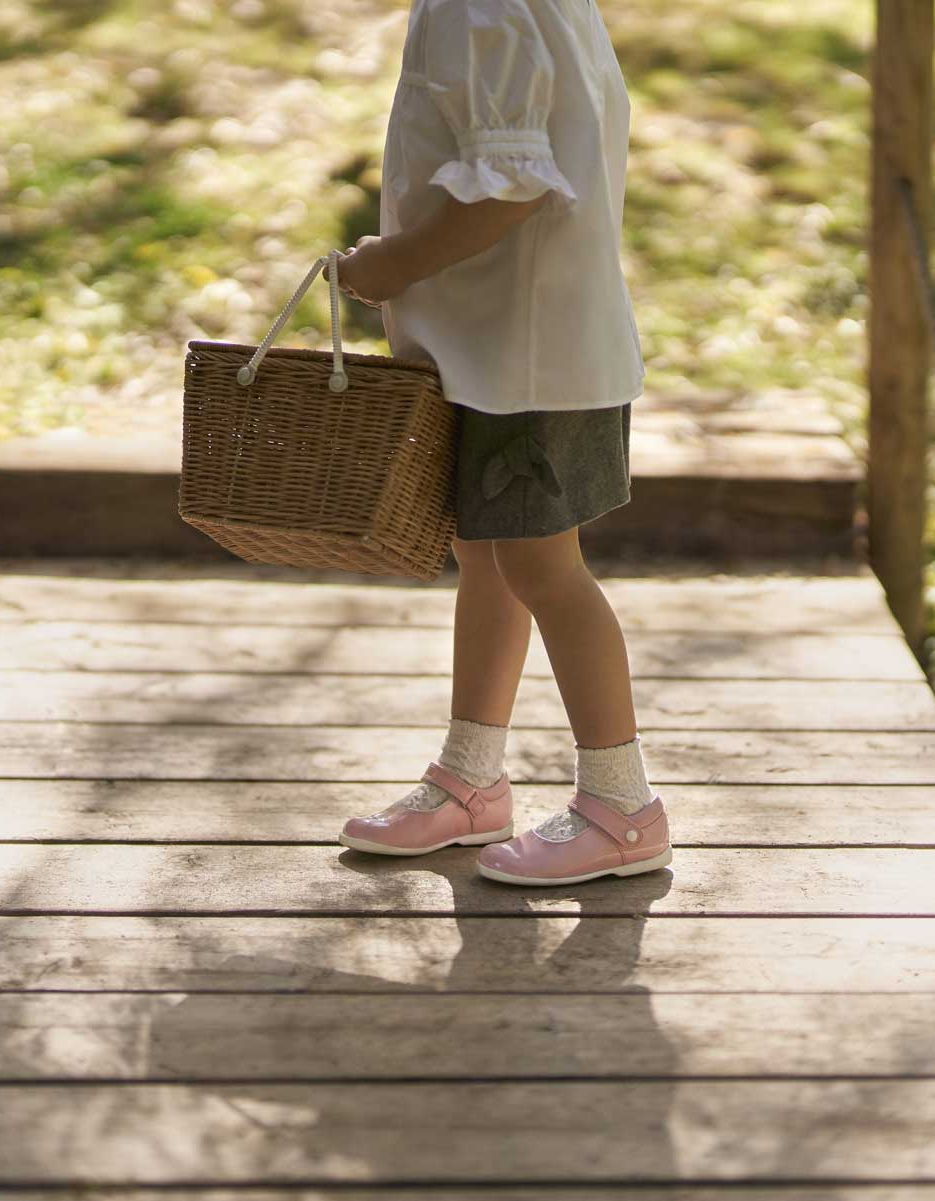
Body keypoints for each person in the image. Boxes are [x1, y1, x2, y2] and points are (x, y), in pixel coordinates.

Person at [326, 0, 669, 887]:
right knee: (489, 557)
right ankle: (472, 779)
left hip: (527, 354)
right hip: (493, 348)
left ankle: (623, 805)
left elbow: (513, 185)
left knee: (545, 571)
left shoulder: (480, 6)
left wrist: (390, 262)